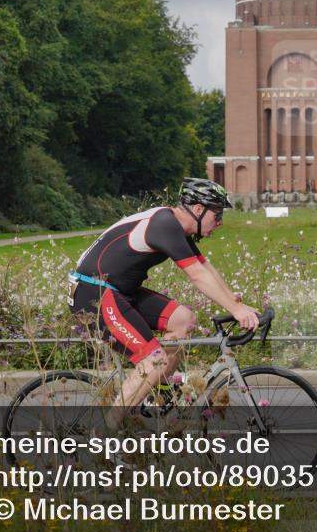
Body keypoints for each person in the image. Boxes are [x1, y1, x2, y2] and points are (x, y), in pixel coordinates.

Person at [68, 178, 259, 430]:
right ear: (199, 209)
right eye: (218, 214)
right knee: (153, 360)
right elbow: (197, 276)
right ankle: (105, 434)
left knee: (183, 320)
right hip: (94, 293)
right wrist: (235, 310)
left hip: (119, 291)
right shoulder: (164, 224)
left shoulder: (176, 225)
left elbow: (204, 267)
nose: (220, 222)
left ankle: (152, 392)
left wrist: (237, 305)